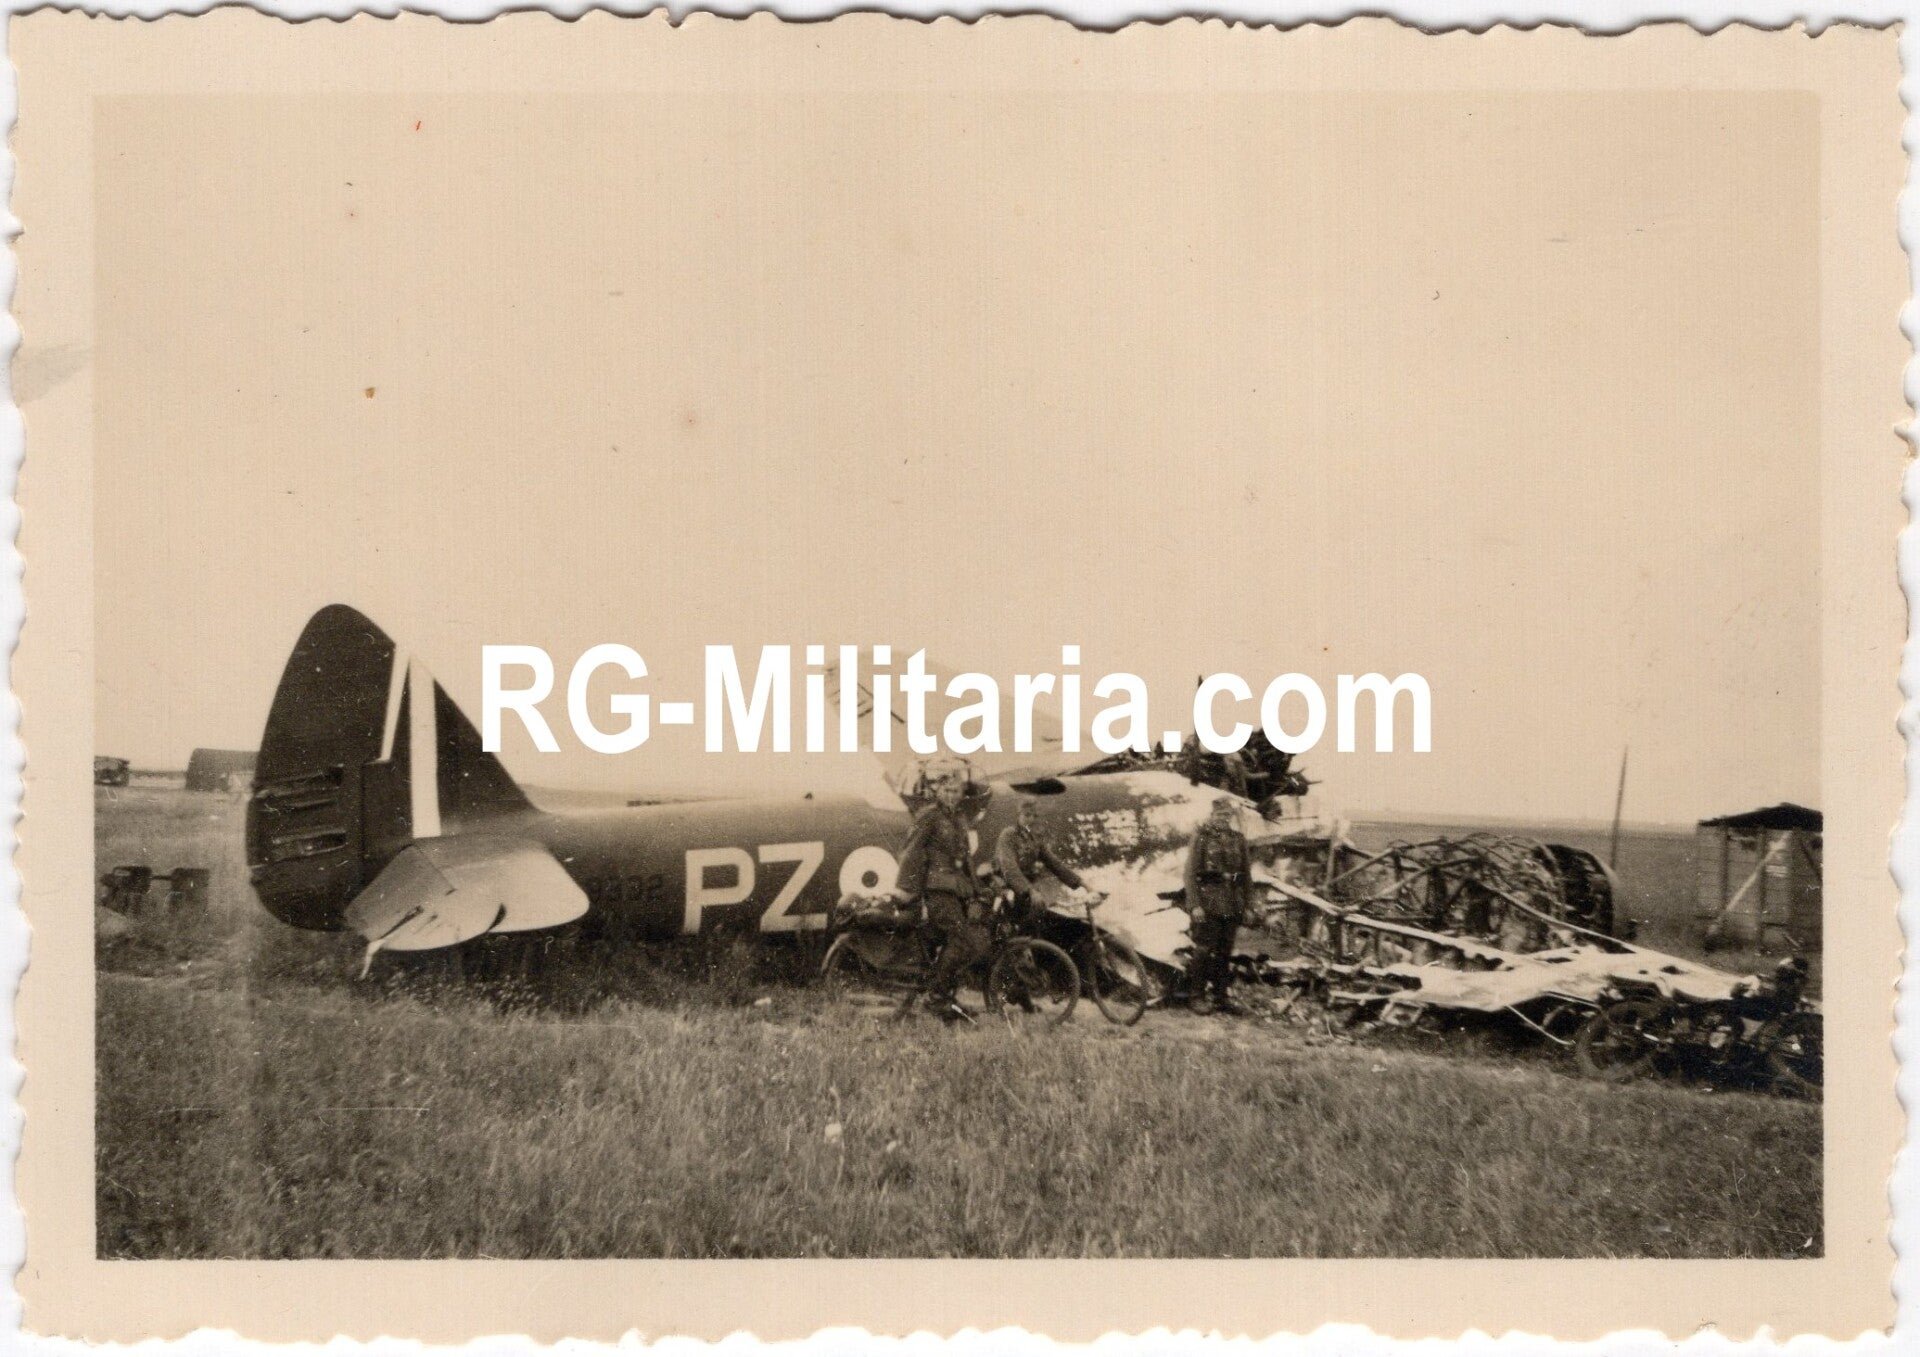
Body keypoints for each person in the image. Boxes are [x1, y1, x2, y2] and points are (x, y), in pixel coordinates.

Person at [895, 775, 989, 1020]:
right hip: (937, 890)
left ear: (961, 794)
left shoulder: (959, 817)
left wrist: (977, 889)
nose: (950, 795)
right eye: (946, 790)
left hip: (956, 889)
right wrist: (906, 889)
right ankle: (936, 999)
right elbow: (911, 851)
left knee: (950, 941)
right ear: (938, 792)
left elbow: (965, 858)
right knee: (962, 940)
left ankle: (941, 996)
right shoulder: (929, 815)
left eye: (955, 791)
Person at [1182, 797, 1253, 1014]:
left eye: (1227, 815)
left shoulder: (1238, 839)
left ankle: (1221, 997)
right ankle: (1196, 997)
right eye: (1220, 815)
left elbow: (1246, 875)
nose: (1224, 819)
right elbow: (1190, 873)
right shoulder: (1201, 837)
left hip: (1231, 903)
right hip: (1208, 902)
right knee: (1203, 949)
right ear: (1212, 815)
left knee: (1225, 951)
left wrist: (1248, 906)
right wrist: (1194, 905)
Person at [993, 798, 1085, 923]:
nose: (1031, 819)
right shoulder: (1008, 835)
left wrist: (1085, 885)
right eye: (1027, 815)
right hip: (1004, 883)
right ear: (1018, 815)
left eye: (1034, 816)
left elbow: (1055, 864)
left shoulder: (1035, 839)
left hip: (1025, 885)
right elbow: (1009, 868)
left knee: (1050, 910)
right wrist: (1030, 891)